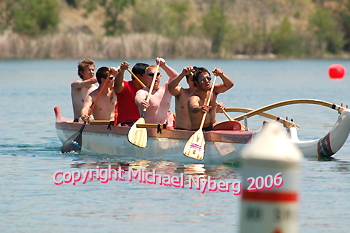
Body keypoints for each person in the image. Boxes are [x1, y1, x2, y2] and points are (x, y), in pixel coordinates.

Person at [168, 66, 227, 130]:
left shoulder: (208, 93)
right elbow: (170, 88)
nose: (195, 83)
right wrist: (182, 74)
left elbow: (209, 112)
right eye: (192, 80)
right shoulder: (181, 92)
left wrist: (218, 108)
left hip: (203, 131)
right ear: (187, 81)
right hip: (182, 132)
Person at [135, 57, 178, 124]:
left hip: (165, 129)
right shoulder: (144, 92)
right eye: (151, 75)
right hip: (150, 129)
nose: (154, 77)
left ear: (160, 76)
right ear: (146, 77)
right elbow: (138, 98)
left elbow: (176, 77)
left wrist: (164, 66)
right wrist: (141, 102)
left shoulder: (166, 88)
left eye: (157, 74)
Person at [112, 61, 149, 126]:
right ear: (138, 76)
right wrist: (122, 71)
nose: (149, 78)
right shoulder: (126, 86)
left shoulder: (149, 90)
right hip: (126, 124)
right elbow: (117, 85)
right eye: (147, 75)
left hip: (142, 124)